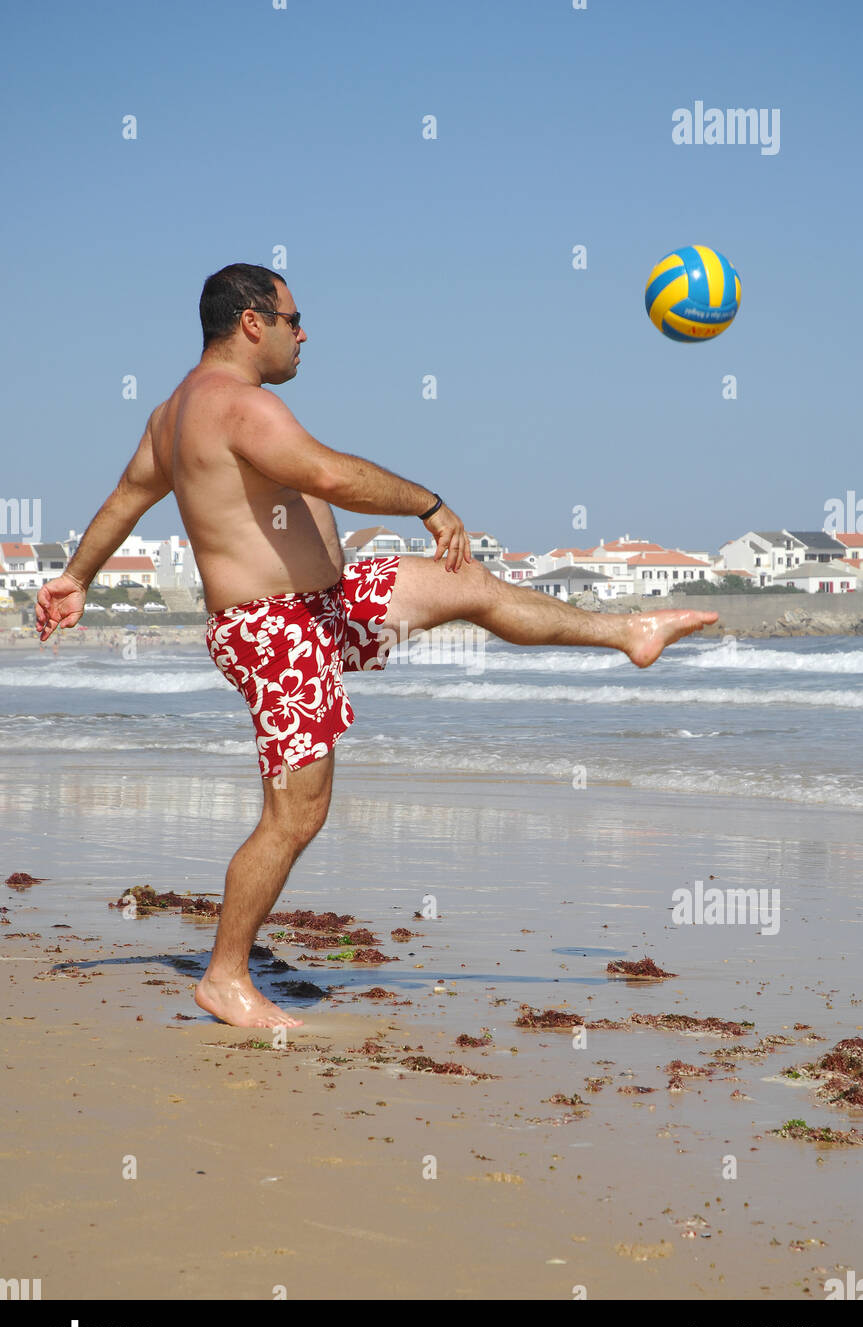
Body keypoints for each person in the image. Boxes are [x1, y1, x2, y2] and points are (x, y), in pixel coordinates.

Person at [36, 263, 718, 1028]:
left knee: (470, 587)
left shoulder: (173, 413)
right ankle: (223, 977)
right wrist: (429, 502)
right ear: (252, 322)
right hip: (277, 632)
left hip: (324, 605)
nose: (304, 333)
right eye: (294, 318)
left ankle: (627, 634)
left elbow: (126, 497)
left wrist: (75, 578)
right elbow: (329, 473)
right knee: (294, 818)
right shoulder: (239, 407)